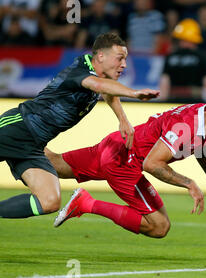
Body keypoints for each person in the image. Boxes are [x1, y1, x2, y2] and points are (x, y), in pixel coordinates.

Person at [0, 32, 159, 220]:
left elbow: (106, 89)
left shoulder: (98, 74)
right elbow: (99, 85)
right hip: (16, 128)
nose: (124, 64)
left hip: (33, 146)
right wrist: (135, 93)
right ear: (101, 56)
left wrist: (122, 119)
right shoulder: (81, 72)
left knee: (49, 201)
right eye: (120, 58)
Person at [47, 93, 206, 238]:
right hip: (125, 164)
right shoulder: (188, 126)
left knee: (52, 163)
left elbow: (198, 146)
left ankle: (25, 141)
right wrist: (189, 183)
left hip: (117, 144)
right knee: (159, 226)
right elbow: (152, 164)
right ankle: (85, 203)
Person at [159, 18, 206, 104]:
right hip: (195, 104)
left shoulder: (170, 56)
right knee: (195, 118)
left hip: (173, 102)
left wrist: (161, 104)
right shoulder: (202, 56)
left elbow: (164, 83)